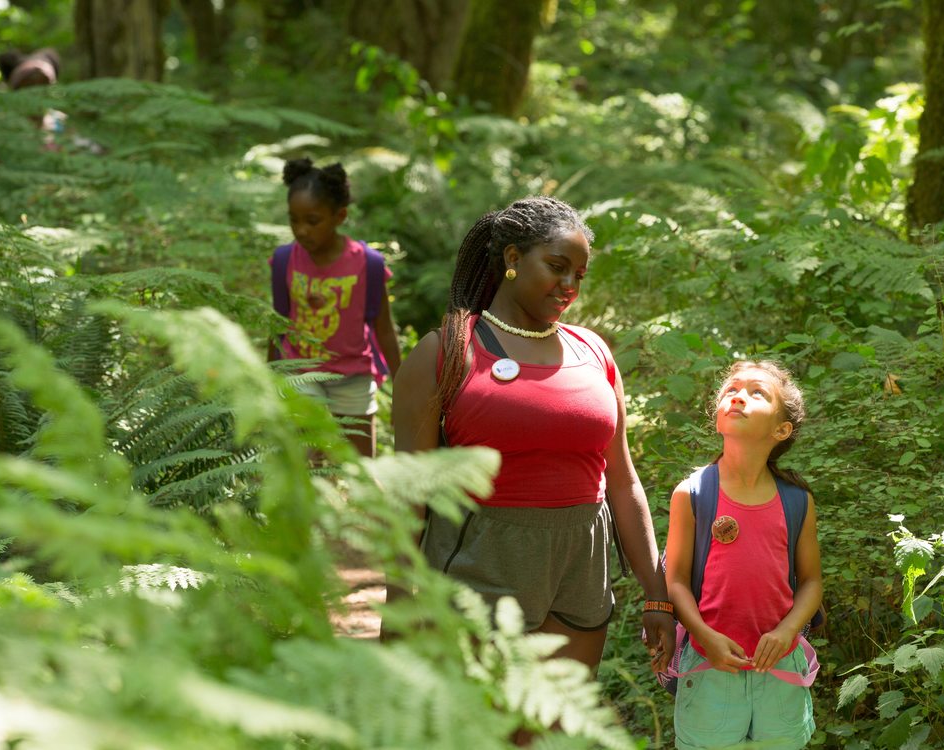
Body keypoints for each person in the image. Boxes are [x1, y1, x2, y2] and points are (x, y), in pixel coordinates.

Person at [390, 196, 675, 676]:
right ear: (513, 259)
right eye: (557, 267)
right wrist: (397, 607)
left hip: (580, 562)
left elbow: (622, 480)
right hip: (483, 561)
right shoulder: (446, 352)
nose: (569, 287)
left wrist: (657, 594)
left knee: (556, 730)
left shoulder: (593, 352)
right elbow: (409, 497)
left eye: (579, 276)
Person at [665, 360, 823, 750]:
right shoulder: (693, 494)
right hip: (709, 666)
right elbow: (676, 581)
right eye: (731, 390)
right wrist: (704, 635)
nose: (738, 396)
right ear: (718, 418)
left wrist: (788, 631)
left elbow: (812, 582)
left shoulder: (797, 500)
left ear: (781, 430)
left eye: (757, 393)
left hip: (780, 668)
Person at [269, 158, 402, 458]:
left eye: (312, 221)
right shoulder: (285, 261)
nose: (301, 230)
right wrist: (271, 375)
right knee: (307, 461)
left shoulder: (367, 265)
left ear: (339, 216)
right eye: (294, 220)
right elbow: (277, 323)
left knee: (358, 464)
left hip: (353, 374)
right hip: (301, 370)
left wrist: (401, 387)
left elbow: (383, 329)